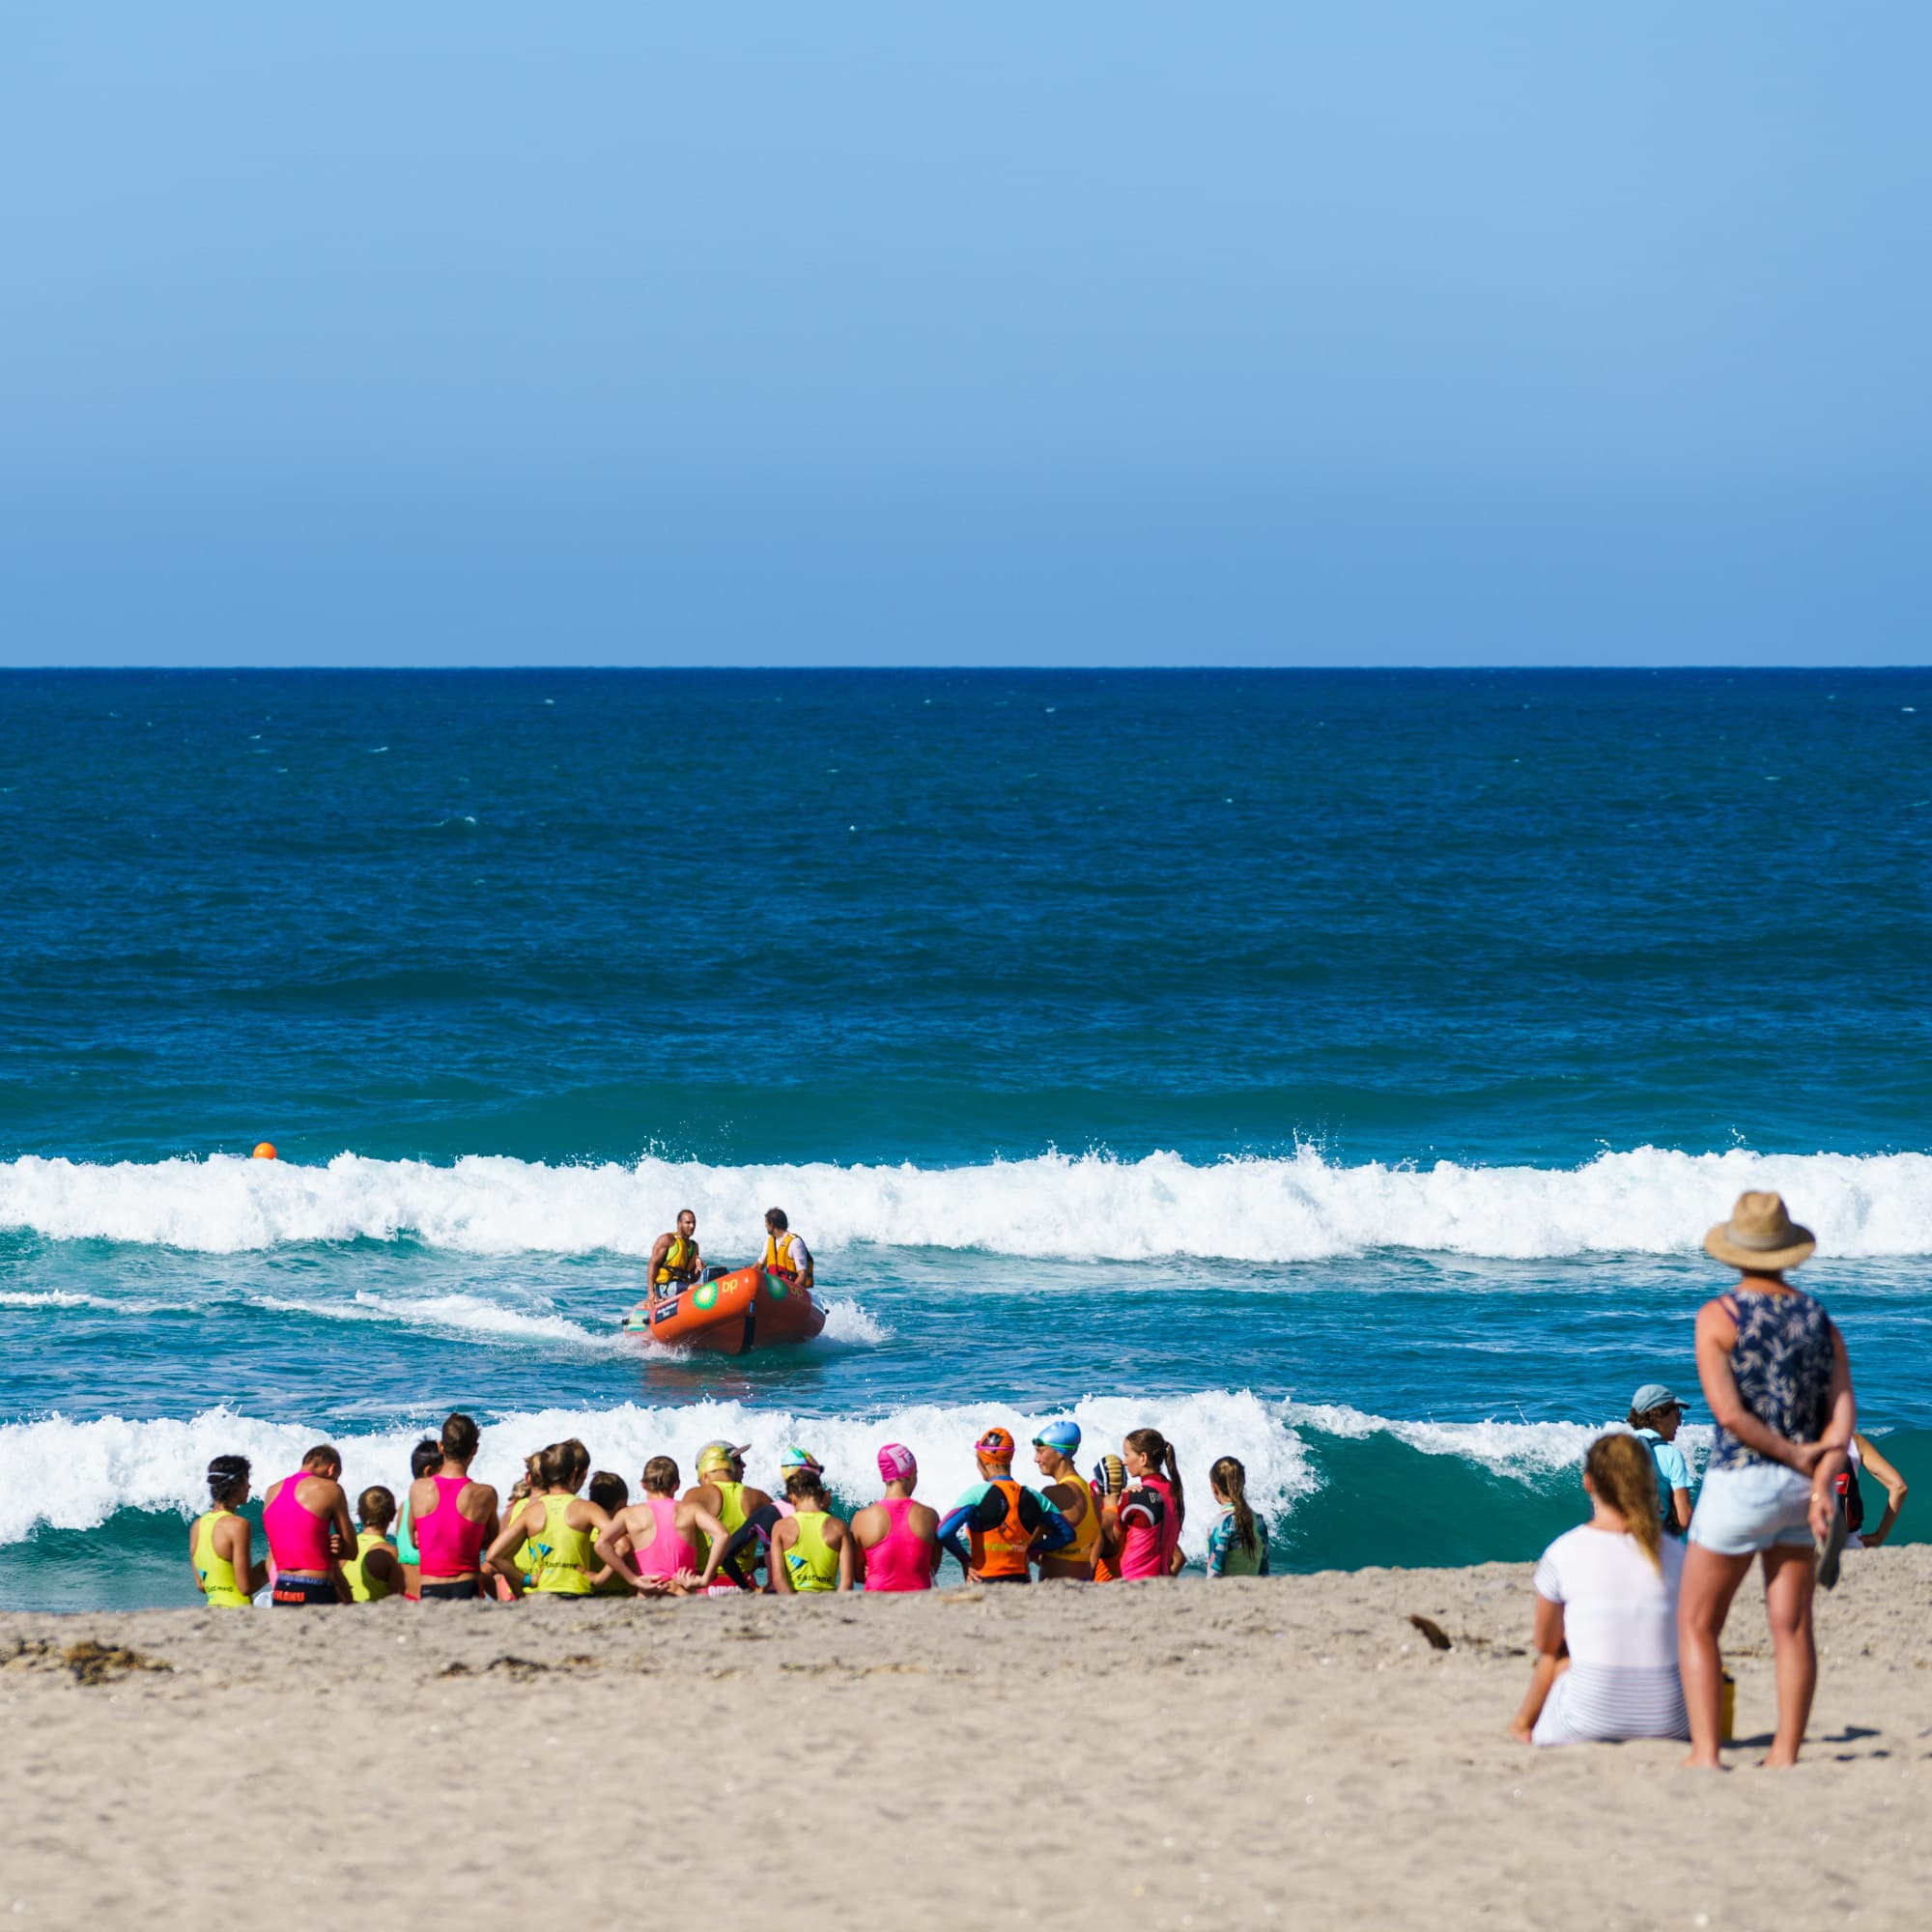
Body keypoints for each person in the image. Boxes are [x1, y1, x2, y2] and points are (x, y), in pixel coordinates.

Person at [1678, 1192, 1855, 1770]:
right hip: (1805, 1492)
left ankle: (1706, 1753)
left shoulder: (1718, 1316)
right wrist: (1821, 1469)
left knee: (1699, 1623)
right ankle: (1784, 1755)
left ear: (1735, 1252)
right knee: (1794, 1625)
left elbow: (1731, 1416)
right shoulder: (1818, 1317)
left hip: (1742, 1482)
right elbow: (1842, 1411)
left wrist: (1789, 1455)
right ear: (1788, 1252)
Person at [1509, 1433, 1688, 1747]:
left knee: (1560, 1654)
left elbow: (1545, 1644)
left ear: (1588, 1482)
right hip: (1673, 1722)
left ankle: (1523, 1725)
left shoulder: (1563, 1551)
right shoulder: (1676, 1554)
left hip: (1587, 1721)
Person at [936, 1427, 1072, 1583]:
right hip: (1021, 1579)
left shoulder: (977, 1495)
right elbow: (1067, 1534)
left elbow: (943, 1532)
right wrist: (1032, 1550)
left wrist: (964, 1560)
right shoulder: (1035, 1497)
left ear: (982, 1461)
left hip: (983, 1579)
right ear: (1010, 1458)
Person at [485, 1441, 614, 1598]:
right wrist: (600, 1577)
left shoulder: (530, 1511)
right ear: (574, 1472)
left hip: (543, 1595)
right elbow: (622, 1544)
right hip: (579, 1593)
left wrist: (527, 1580)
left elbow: (493, 1555)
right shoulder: (587, 1508)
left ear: (543, 1474)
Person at [595, 1457, 729, 1595]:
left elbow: (601, 1544)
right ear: (677, 1485)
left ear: (643, 1484)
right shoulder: (691, 1510)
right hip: (682, 1594)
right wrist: (705, 1579)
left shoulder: (628, 1515)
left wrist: (633, 1579)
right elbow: (722, 1535)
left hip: (648, 1597)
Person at [412, 1411, 500, 1602]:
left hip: (430, 1586)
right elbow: (493, 1544)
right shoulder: (485, 1494)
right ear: (474, 1449)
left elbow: (414, 1540)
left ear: (441, 1446)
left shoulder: (418, 1489)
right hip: (467, 1585)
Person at [263, 1445, 356, 1606]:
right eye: (336, 1476)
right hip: (315, 1587)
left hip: (281, 1589)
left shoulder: (271, 1491)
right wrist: (337, 1547)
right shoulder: (331, 1489)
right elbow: (351, 1551)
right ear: (331, 1469)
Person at [682, 1441, 776, 1591]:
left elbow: (680, 1544)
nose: (744, 1465)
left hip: (705, 1585)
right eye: (737, 1461)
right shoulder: (760, 1497)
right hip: (745, 1585)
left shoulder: (694, 1496)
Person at [850, 1444, 941, 1592]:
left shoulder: (861, 1519)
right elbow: (931, 1568)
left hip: (876, 1600)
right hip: (920, 1599)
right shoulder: (929, 1516)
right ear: (910, 1474)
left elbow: (858, 1575)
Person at [188, 1455, 270, 1608]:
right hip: (238, 1612)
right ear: (237, 1483)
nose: (249, 1486)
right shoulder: (238, 1525)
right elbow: (245, 1587)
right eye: (247, 1479)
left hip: (212, 1611)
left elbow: (201, 1584)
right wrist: (271, 1561)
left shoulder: (197, 1526)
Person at [1108, 1428, 1186, 1578]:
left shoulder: (1134, 1496)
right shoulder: (1174, 1492)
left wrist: (1110, 1501)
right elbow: (1179, 1558)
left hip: (1133, 1579)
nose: (1123, 1462)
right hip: (1162, 1581)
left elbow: (1112, 1546)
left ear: (1143, 1458)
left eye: (1127, 1455)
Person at [1031, 1420, 1102, 1581]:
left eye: (1041, 1451)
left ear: (1060, 1452)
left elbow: (1030, 1546)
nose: (1036, 1459)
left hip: (1057, 1586)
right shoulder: (1092, 1493)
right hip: (1086, 1581)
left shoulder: (1052, 1494)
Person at [766, 1464, 854, 1593]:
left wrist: (792, 1604)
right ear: (822, 1494)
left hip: (794, 1599)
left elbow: (778, 1579)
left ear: (793, 1497)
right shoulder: (839, 1527)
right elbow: (847, 1581)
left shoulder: (781, 1527)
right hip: (829, 1599)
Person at [1629, 1383, 1695, 1533]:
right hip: (1654, 1544)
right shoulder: (1670, 1454)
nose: (1679, 1423)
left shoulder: (1620, 1448)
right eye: (1677, 1415)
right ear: (1659, 1415)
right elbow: (1684, 1519)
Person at [1841, 1431, 1909, 1549]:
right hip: (1849, 1541)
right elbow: (1899, 1487)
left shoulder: (1798, 1444)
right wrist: (1879, 1536)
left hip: (1803, 1540)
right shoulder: (1853, 1442)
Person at [1206, 1456, 1270, 1578]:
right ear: (1243, 1483)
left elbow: (1215, 1572)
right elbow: (1264, 1569)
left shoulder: (1219, 1524)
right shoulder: (1259, 1521)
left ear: (1214, 1488)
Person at [394, 1437, 442, 1598]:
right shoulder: (434, 1506)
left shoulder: (403, 1506)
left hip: (407, 1595)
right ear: (429, 1472)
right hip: (429, 1596)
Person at [342, 1487, 405, 1603]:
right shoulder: (391, 1554)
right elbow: (398, 1600)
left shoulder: (345, 1549)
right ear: (393, 1515)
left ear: (358, 1512)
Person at [585, 1472, 633, 1594]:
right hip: (621, 1598)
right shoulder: (628, 1535)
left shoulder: (584, 1529)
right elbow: (624, 1547)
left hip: (587, 1598)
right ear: (621, 1504)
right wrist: (602, 1577)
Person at [648, 1209, 703, 1305]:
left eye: (694, 1223)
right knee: (701, 1290)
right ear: (679, 1223)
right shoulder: (667, 1239)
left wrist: (699, 1269)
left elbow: (693, 1278)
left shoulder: (694, 1246)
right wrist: (651, 1293)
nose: (692, 1226)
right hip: (664, 1286)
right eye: (688, 1223)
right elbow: (653, 1264)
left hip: (682, 1285)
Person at [1090, 1456, 1125, 1583]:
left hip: (1102, 1588)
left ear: (1098, 1487)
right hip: (1128, 1586)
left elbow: (1091, 1566)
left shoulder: (1101, 1520)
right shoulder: (1132, 1513)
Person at [757, 1208, 813, 1289]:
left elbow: (802, 1275)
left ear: (772, 1224)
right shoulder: (770, 1241)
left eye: (766, 1222)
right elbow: (759, 1266)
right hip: (772, 1291)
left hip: (791, 1293)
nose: (765, 1225)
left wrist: (789, 1293)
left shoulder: (795, 1243)